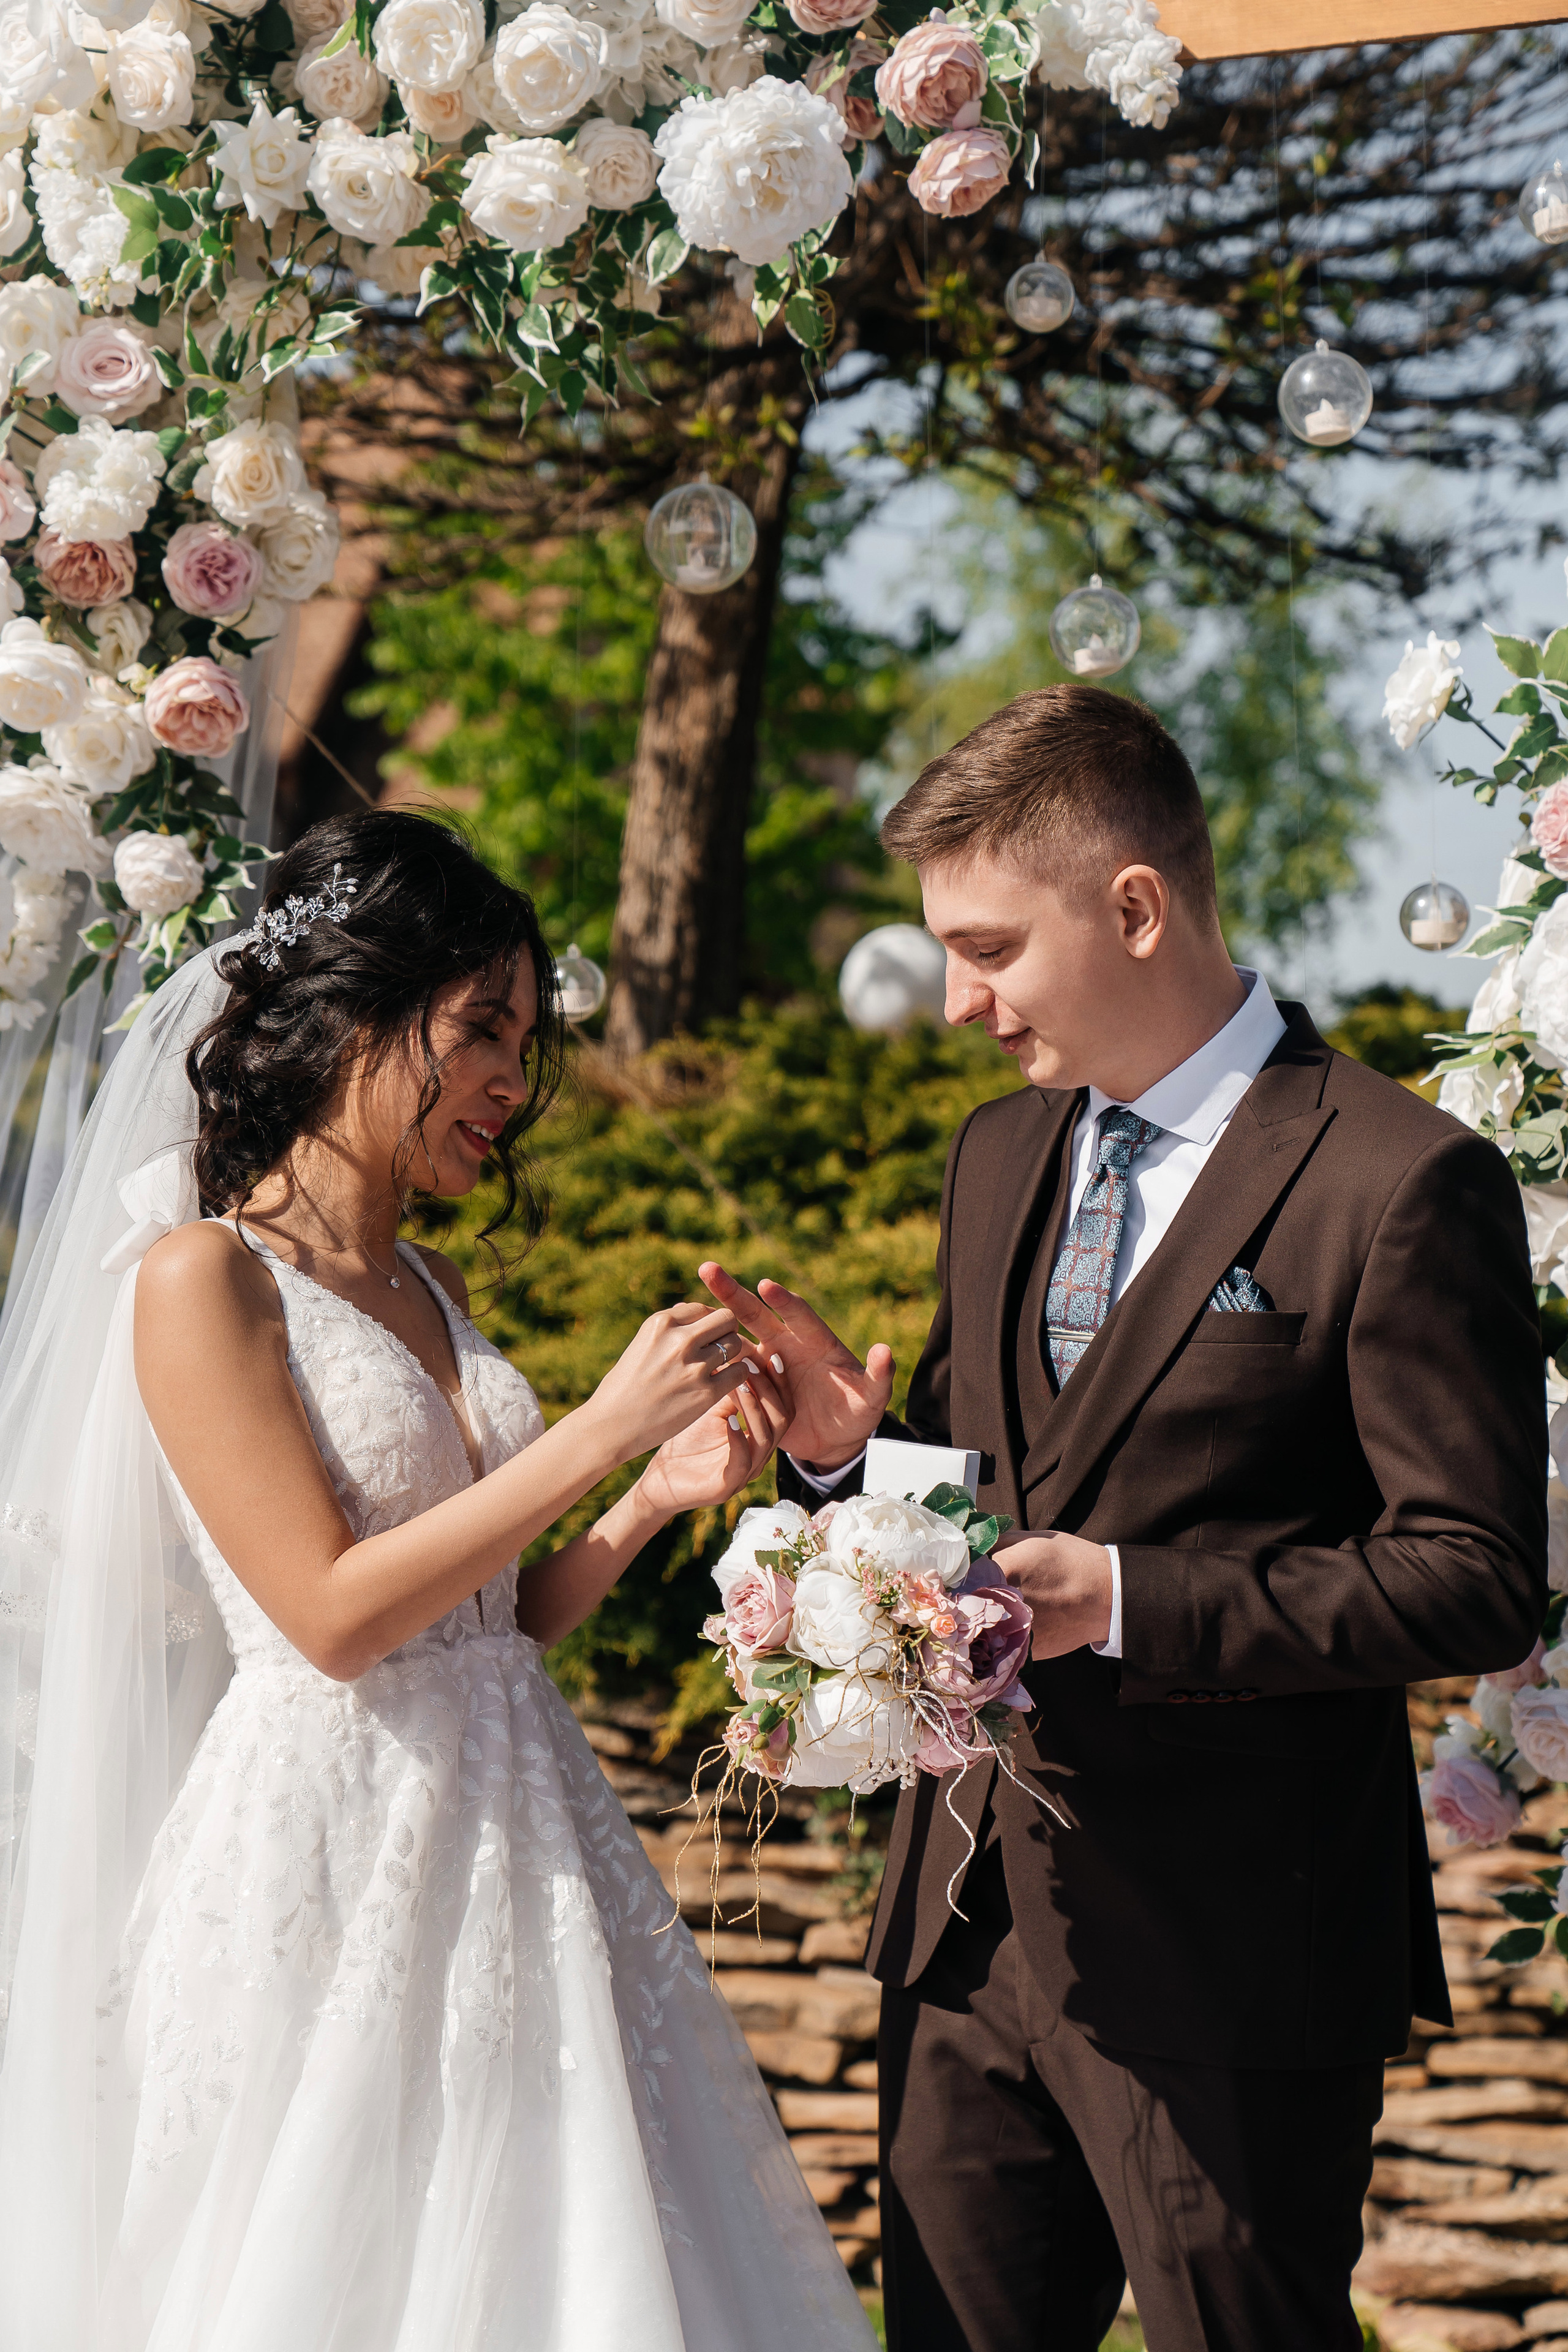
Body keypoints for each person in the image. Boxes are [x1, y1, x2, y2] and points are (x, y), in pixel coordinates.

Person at [702, 682, 1549, 2352]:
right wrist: (841, 1464)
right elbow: (984, 1503)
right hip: (962, 1927)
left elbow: (1476, 1581)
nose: (956, 1001)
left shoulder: (1400, 1179)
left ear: (1137, 908)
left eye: (990, 947)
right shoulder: (999, 1158)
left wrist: (1136, 1598)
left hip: (1234, 1955)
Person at [0, 810, 875, 2352]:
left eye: (526, 1042)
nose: (508, 1085)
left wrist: (645, 1498)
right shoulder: (201, 1280)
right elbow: (331, 1617)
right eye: (481, 1030)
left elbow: (494, 1621)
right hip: (329, 1845)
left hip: (519, 1829)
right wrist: (599, 1425)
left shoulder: (431, 1282)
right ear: (347, 1014)